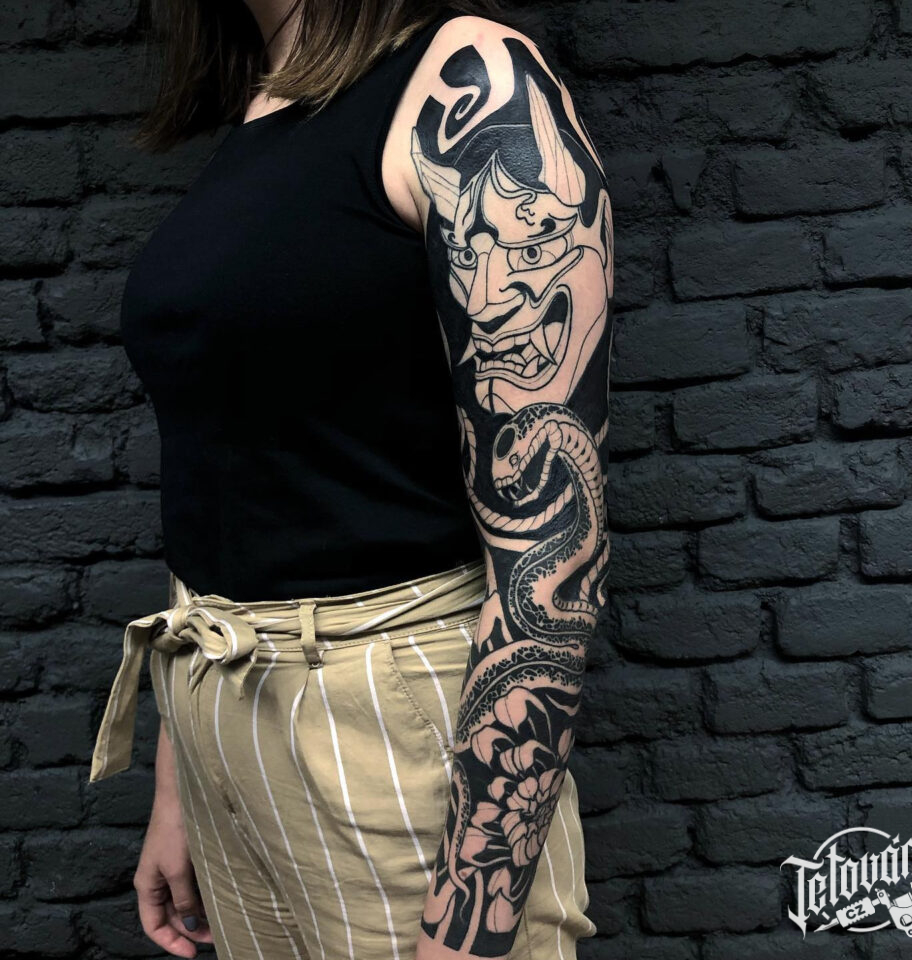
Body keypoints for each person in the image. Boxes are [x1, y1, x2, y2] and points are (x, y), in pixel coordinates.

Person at [87, 1, 614, 958]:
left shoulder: (471, 80)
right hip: (224, 710)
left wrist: (474, 915)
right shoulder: (262, 102)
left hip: (391, 728)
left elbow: (552, 550)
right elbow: (229, 468)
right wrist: (182, 780)